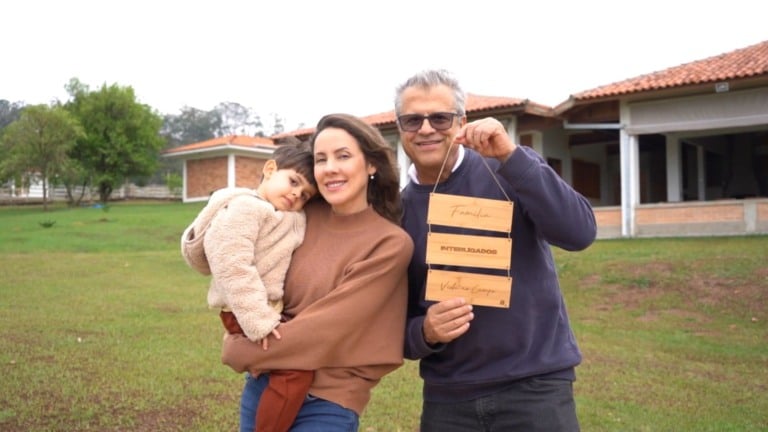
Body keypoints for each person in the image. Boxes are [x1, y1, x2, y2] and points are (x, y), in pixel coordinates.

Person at [396, 69, 597, 431]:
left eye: (440, 117)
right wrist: (423, 332)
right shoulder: (395, 214)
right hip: (448, 397)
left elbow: (579, 233)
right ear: (400, 127)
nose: (426, 129)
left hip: (535, 388)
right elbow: (388, 320)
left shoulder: (511, 170)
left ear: (462, 122)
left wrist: (511, 155)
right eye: (413, 120)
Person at [220, 113, 414, 431]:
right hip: (264, 384)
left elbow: (326, 328)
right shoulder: (298, 215)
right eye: (321, 159)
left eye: (344, 156)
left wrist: (243, 349)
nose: (330, 168)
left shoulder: (390, 244)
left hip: (328, 400)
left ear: (371, 165)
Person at [180, 142, 318, 432]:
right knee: (294, 370)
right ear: (270, 169)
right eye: (293, 182)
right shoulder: (244, 209)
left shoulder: (284, 216)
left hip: (266, 310)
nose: (296, 194)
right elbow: (233, 265)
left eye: (305, 195)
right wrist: (259, 321)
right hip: (246, 311)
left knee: (292, 361)